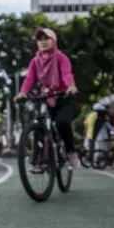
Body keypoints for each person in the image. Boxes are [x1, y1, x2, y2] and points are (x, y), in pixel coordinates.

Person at [15, 27, 80, 169]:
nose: (43, 42)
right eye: (40, 39)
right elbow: (29, 79)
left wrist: (71, 86)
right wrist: (22, 93)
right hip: (48, 98)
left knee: (62, 123)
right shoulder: (35, 61)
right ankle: (39, 158)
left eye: (46, 38)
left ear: (54, 40)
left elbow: (67, 74)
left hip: (65, 97)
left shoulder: (61, 58)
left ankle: (70, 152)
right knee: (40, 124)